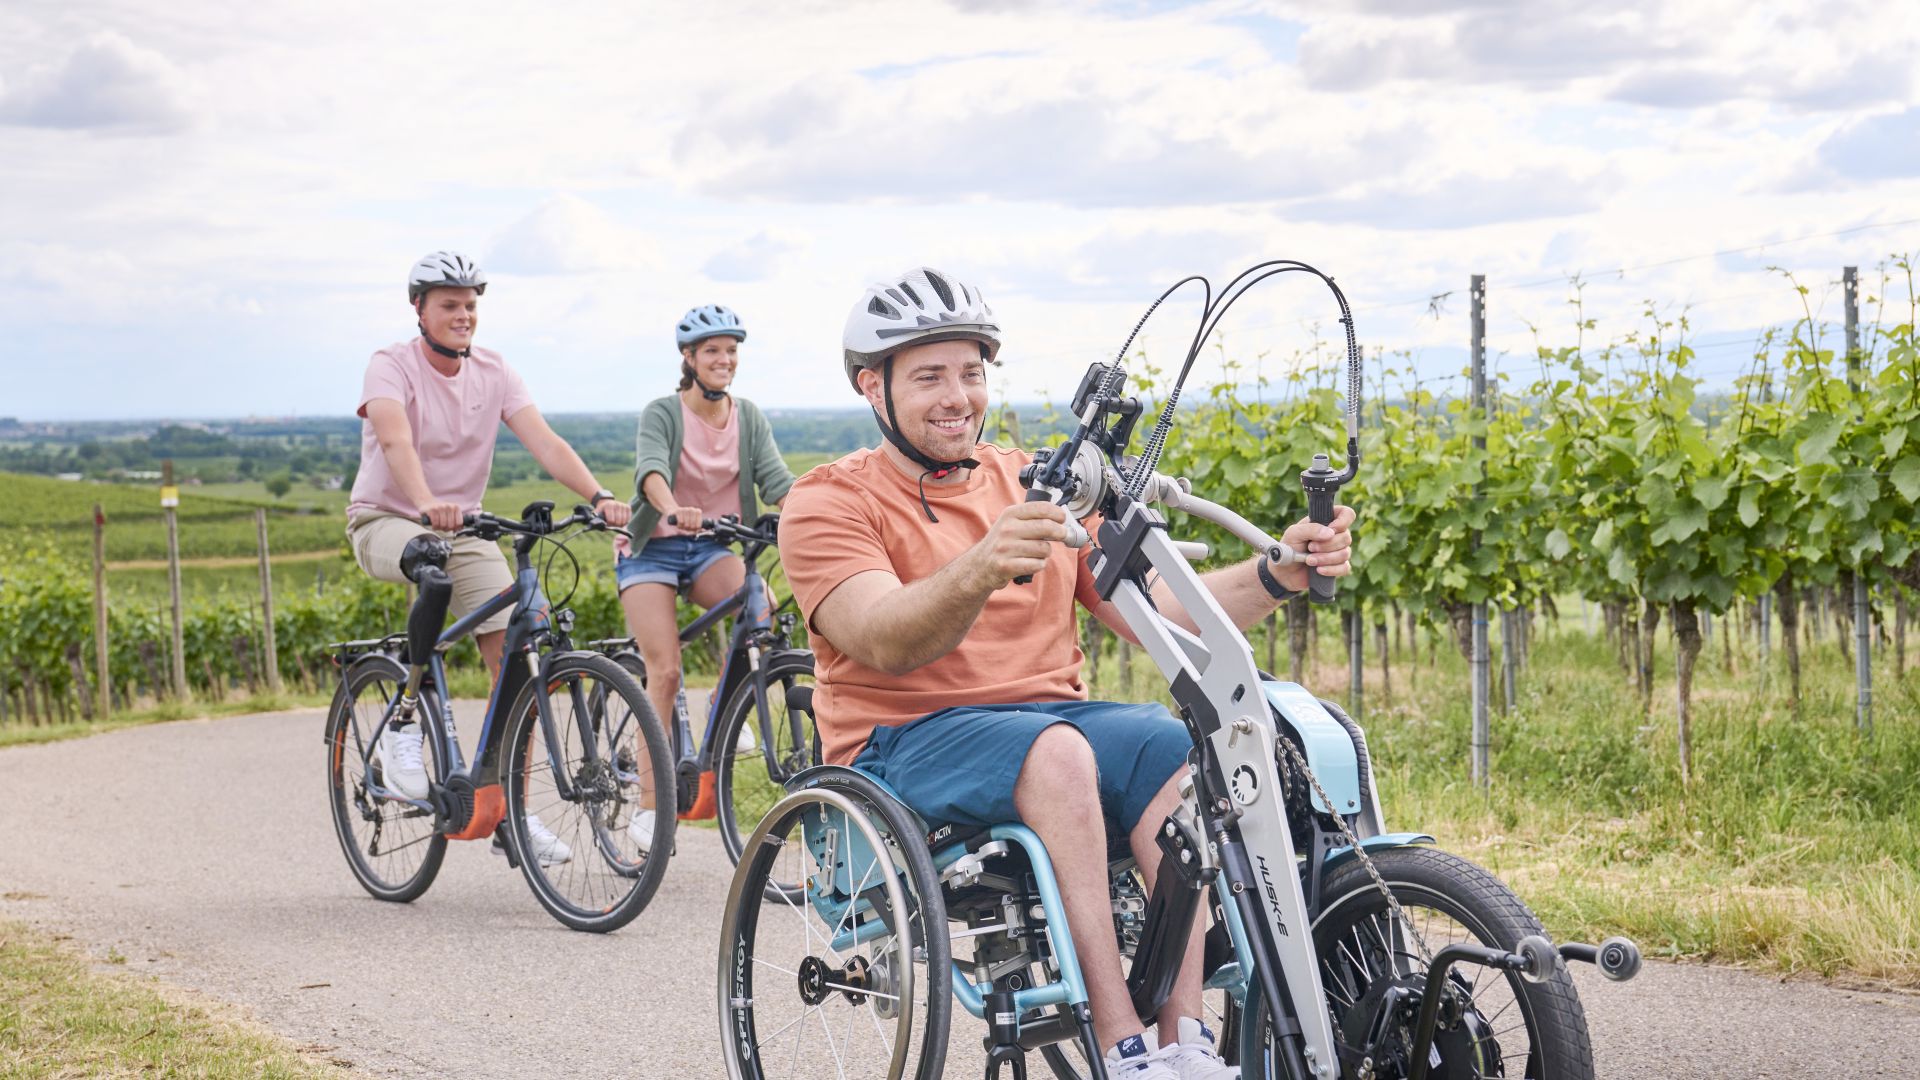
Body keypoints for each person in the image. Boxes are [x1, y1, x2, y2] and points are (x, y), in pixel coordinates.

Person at [777, 267, 1356, 1080]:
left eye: (971, 373)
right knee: (1059, 752)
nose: (957, 396)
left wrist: (1276, 572)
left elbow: (1154, 609)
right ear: (875, 388)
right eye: (930, 376)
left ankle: (1181, 1040)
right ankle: (1121, 1043)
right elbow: (880, 637)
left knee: (1173, 746)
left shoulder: (1035, 482)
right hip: (901, 739)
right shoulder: (826, 502)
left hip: (1047, 724)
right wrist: (977, 568)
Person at [347, 250, 633, 865]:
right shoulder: (389, 365)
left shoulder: (496, 372)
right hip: (388, 520)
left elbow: (545, 441)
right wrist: (425, 503)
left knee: (515, 655)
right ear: (419, 308)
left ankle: (511, 810)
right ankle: (403, 720)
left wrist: (598, 495)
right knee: (431, 569)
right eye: (449, 304)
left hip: (465, 529)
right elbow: (395, 438)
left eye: (471, 305)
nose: (463, 315)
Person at [616, 304, 796, 851]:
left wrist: (807, 512)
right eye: (713, 351)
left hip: (712, 548)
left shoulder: (749, 417)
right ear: (689, 358)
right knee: (664, 672)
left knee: (757, 603)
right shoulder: (664, 412)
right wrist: (673, 508)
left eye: (731, 351)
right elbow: (651, 471)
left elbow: (776, 480)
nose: (724, 360)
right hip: (654, 550)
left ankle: (726, 708)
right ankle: (649, 808)